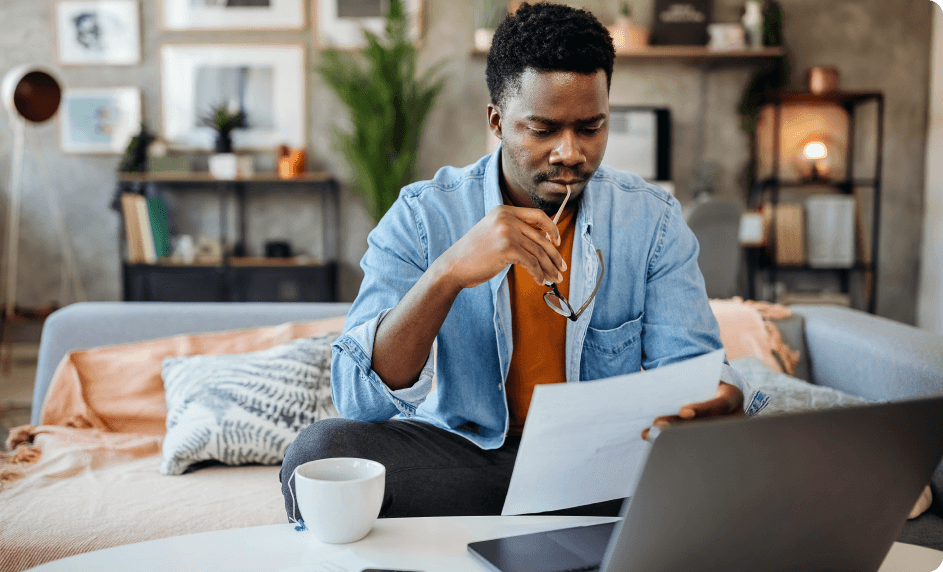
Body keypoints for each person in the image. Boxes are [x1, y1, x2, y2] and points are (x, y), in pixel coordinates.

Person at [281, 1, 758, 521]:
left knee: (752, 472)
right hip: (472, 461)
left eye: (591, 127)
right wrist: (448, 273)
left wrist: (715, 396)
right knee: (319, 455)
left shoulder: (653, 220)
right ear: (498, 122)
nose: (570, 152)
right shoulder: (423, 216)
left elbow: (687, 374)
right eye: (544, 129)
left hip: (601, 466)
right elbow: (358, 400)